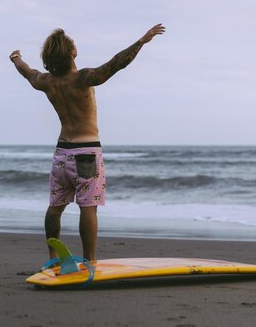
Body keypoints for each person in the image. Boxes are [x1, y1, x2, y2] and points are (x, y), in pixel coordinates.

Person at [9, 23, 165, 261]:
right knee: (88, 207)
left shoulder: (46, 82)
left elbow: (26, 71)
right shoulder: (83, 78)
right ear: (72, 52)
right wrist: (141, 41)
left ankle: (52, 257)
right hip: (86, 154)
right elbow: (115, 64)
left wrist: (15, 57)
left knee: (55, 207)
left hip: (61, 154)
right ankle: (90, 260)